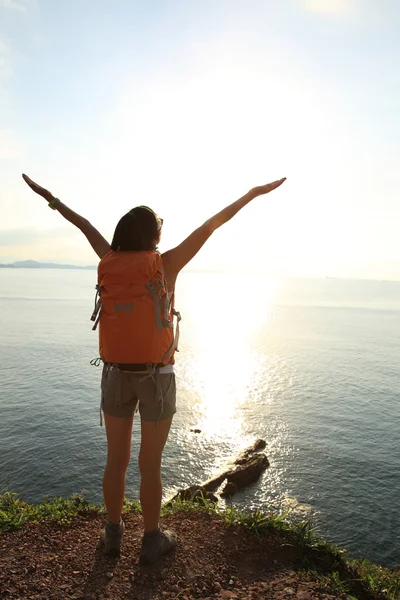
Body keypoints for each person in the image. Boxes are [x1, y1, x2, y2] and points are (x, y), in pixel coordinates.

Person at [22, 172, 286, 563]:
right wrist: (252, 193)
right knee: (150, 464)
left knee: (116, 459)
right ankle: (151, 538)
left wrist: (49, 197)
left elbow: (81, 224)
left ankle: (113, 534)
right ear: (154, 238)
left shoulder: (108, 260)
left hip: (115, 374)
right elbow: (212, 224)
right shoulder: (165, 265)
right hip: (158, 377)